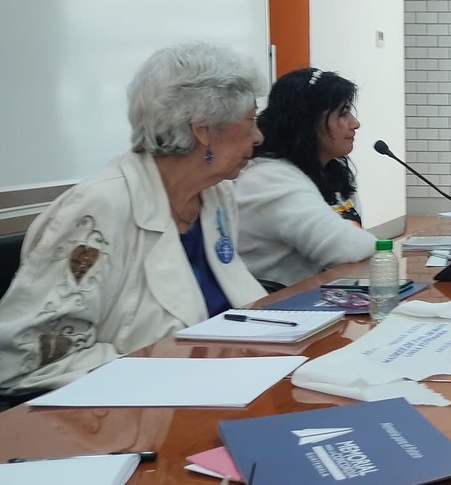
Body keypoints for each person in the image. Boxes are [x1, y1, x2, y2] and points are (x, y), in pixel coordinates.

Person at [0, 43, 268, 394]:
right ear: (203, 129)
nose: (259, 136)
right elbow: (30, 358)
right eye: (250, 120)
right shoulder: (99, 206)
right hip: (140, 407)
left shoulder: (217, 194)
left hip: (229, 383)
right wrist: (166, 377)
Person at [235, 68, 376, 287]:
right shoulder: (267, 179)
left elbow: (358, 248)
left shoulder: (332, 172)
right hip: (281, 304)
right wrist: (380, 248)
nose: (355, 123)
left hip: (326, 296)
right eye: (343, 114)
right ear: (307, 122)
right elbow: (349, 248)